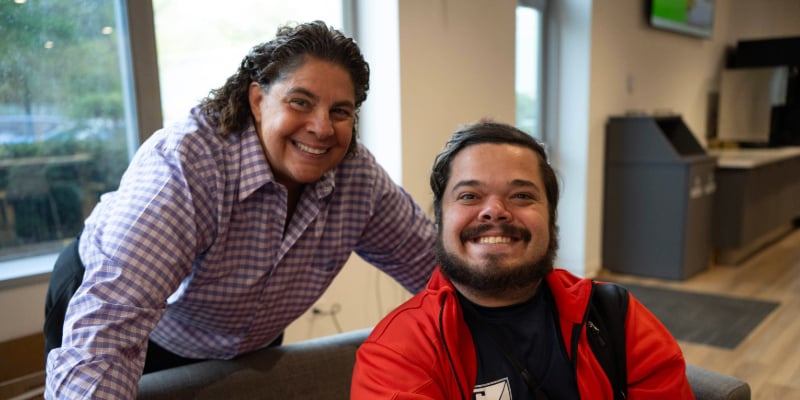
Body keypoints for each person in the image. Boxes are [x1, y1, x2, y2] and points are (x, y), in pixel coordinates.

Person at [44, 21, 437, 399]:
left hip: (247, 334)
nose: (322, 128)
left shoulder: (358, 179)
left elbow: (435, 268)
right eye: (300, 102)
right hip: (136, 319)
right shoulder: (188, 167)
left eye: (340, 112)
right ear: (257, 100)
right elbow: (108, 333)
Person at [350, 121, 694, 399]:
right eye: (469, 195)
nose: (494, 211)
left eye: (521, 196)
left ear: (550, 218)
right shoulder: (399, 351)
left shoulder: (615, 316)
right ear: (439, 221)